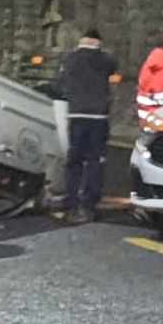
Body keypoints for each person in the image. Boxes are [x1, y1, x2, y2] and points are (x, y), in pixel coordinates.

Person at [51, 28, 119, 224]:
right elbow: (113, 69)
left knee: (74, 162)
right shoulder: (106, 60)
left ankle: (71, 206)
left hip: (76, 114)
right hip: (98, 116)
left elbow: (57, 86)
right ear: (98, 42)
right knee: (95, 161)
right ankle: (89, 206)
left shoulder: (69, 59)